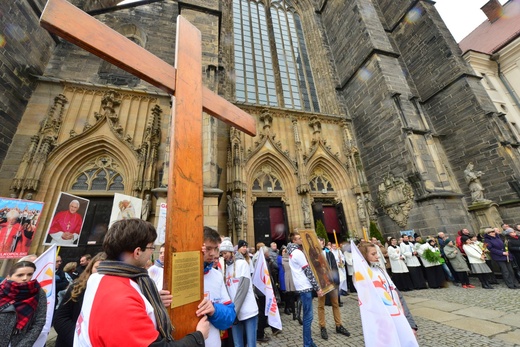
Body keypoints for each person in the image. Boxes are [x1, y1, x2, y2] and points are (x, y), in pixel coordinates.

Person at [74, 218, 209, 346]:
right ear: (138, 252)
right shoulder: (124, 299)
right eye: (151, 248)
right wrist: (198, 336)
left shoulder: (97, 277)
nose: (152, 253)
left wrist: (149, 302)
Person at [357, 242, 418, 336]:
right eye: (373, 254)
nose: (378, 256)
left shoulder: (380, 270)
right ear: (364, 256)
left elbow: (398, 297)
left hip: (399, 317)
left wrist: (410, 324)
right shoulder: (363, 278)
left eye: (377, 253)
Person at [54, 252, 107, 347]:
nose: (101, 272)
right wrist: (80, 341)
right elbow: (60, 319)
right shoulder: (77, 288)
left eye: (106, 269)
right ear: (91, 268)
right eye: (98, 268)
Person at [219, 238, 258, 347]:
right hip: (235, 313)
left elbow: (243, 289)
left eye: (225, 253)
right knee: (237, 344)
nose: (224, 256)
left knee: (250, 344)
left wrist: (233, 311)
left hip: (248, 311)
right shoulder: (227, 269)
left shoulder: (242, 264)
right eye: (222, 254)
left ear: (231, 251)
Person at [287, 231, 323, 347]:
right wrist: (317, 288)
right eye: (298, 238)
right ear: (294, 241)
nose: (301, 240)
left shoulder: (292, 252)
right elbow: (307, 271)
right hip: (305, 286)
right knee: (308, 317)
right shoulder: (297, 253)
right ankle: (307, 344)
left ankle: (309, 342)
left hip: (301, 286)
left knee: (308, 316)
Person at [201, 227, 237, 346]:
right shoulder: (176, 276)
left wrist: (214, 310)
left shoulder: (216, 275)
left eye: (216, 248)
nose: (213, 253)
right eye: (208, 248)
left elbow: (229, 316)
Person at [0, 261, 47, 347]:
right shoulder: (1, 291)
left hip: (19, 340)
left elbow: (39, 322)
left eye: (29, 274)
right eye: (20, 275)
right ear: (8, 277)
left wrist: (24, 345)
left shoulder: (38, 293)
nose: (25, 278)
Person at [317, 237, 350, 340]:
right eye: (318, 242)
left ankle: (338, 325)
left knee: (335, 304)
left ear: (323, 243)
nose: (320, 244)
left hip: (331, 282)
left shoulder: (329, 253)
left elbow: (334, 267)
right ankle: (322, 327)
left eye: (321, 242)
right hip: (321, 283)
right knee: (321, 306)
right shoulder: (314, 255)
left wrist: (336, 282)